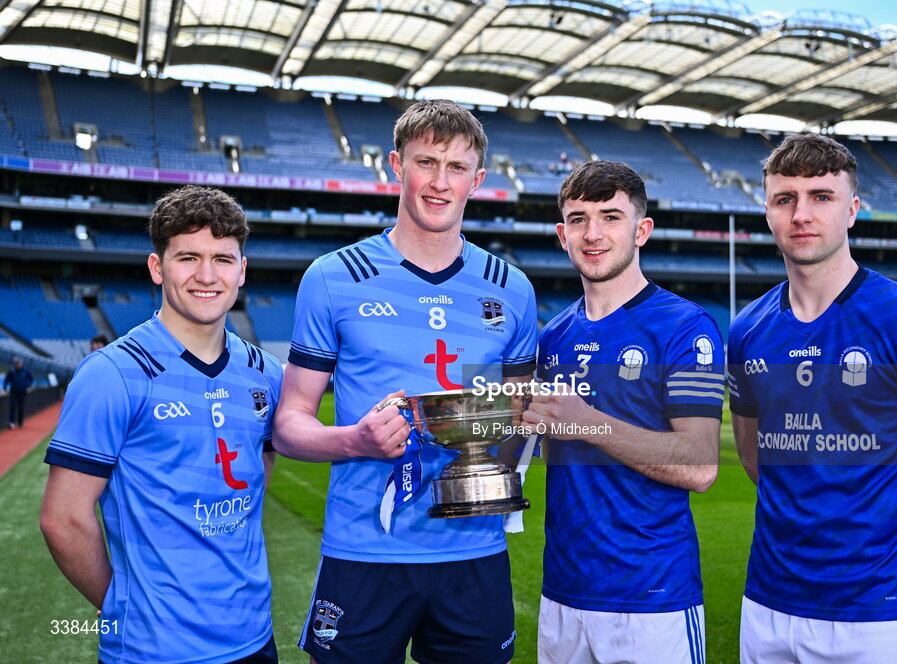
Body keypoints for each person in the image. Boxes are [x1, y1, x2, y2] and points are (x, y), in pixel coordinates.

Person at [274, 99, 538, 664]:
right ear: (397, 165)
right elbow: (290, 424)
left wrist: (499, 444)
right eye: (426, 162)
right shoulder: (333, 278)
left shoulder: (511, 288)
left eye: (457, 168)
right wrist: (354, 441)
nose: (440, 183)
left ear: (478, 180)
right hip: (364, 551)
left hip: (473, 551)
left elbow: (521, 416)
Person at [727, 134, 897, 664]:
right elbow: (756, 457)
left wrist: (894, 548)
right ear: (768, 212)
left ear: (852, 211)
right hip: (768, 607)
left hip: (880, 615)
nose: (801, 213)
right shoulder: (747, 329)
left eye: (821, 197)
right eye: (786, 199)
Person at [39, 186, 282, 664]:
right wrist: (124, 608)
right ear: (157, 267)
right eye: (188, 257)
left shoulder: (266, 374)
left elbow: (260, 470)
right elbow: (62, 519)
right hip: (155, 652)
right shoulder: (111, 373)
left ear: (242, 271)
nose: (207, 275)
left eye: (223, 259)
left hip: (254, 638)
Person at [522, 160, 723, 664]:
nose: (593, 233)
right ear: (561, 235)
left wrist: (585, 420)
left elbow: (700, 465)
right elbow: (547, 447)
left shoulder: (684, 327)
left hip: (652, 599)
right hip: (563, 593)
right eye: (578, 219)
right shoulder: (554, 336)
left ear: (642, 230)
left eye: (611, 216)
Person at [3, 356, 32, 428]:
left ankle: (20, 422)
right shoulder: (12, 371)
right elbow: (6, 380)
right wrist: (5, 388)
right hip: (13, 391)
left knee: (21, 407)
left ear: (21, 363)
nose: (17, 365)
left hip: (22, 391)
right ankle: (11, 422)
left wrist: (27, 385)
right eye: (15, 363)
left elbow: (31, 379)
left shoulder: (26, 370)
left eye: (18, 363)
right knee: (12, 406)